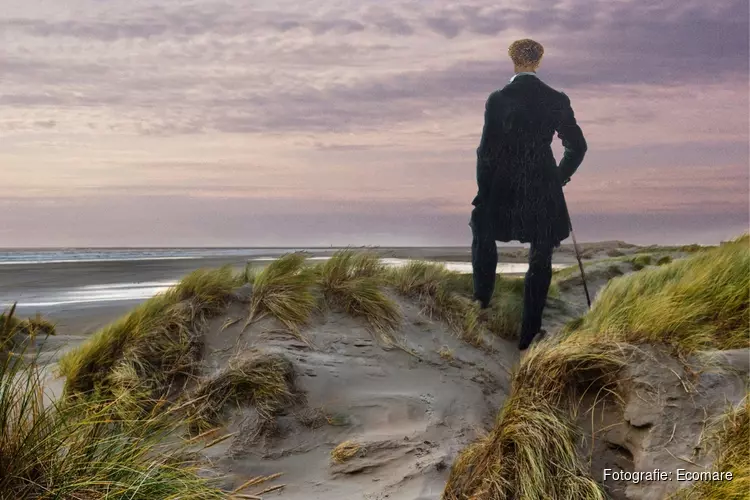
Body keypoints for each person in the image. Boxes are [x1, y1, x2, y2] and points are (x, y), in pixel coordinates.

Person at [470, 39, 587, 352]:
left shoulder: (499, 99)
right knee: (541, 253)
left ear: (513, 61)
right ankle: (530, 331)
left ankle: (481, 301)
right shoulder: (557, 99)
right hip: (542, 186)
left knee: (481, 225)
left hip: (504, 186)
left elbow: (487, 152)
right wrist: (558, 178)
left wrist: (484, 191)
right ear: (539, 60)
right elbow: (578, 147)